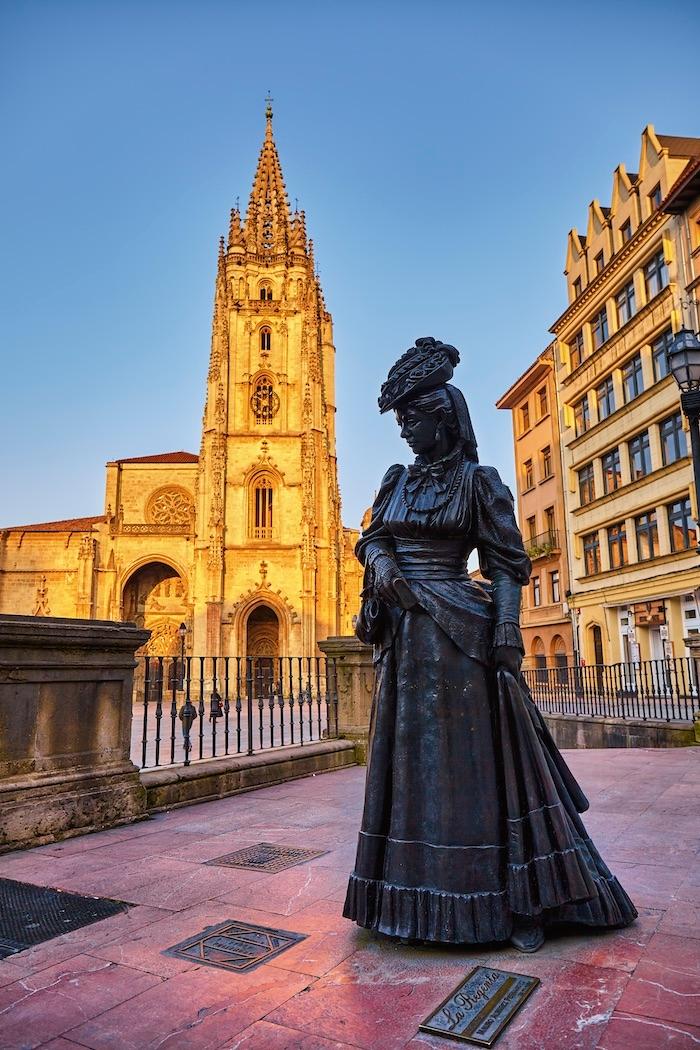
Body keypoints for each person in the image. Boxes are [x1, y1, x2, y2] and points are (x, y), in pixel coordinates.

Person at [344, 337, 636, 952]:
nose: (404, 433)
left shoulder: (480, 482)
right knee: (411, 770)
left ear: (443, 420)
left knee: (474, 768)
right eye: (400, 421)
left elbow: (506, 562)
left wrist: (508, 628)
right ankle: (410, 895)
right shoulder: (396, 480)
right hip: (405, 640)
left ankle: (511, 898)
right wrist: (383, 566)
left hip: (459, 636)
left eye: (412, 420)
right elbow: (368, 538)